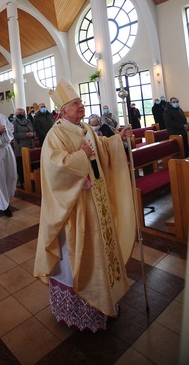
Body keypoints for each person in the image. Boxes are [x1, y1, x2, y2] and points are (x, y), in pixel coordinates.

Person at [34, 77, 136, 332]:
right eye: (75, 103)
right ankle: (81, 314)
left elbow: (99, 148)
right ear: (63, 109)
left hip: (96, 202)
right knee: (76, 258)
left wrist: (116, 140)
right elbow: (55, 167)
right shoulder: (54, 135)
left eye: (80, 101)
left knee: (101, 253)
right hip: (75, 208)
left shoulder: (85, 128)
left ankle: (105, 301)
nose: (81, 106)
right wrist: (81, 157)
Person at [12, 108, 36, 188]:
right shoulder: (14, 122)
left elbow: (34, 131)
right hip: (20, 147)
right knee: (21, 166)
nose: (20, 113)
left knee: (31, 165)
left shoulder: (28, 121)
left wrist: (32, 134)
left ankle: (31, 181)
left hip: (30, 145)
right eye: (18, 112)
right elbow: (13, 134)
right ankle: (23, 182)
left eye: (21, 112)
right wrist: (25, 135)